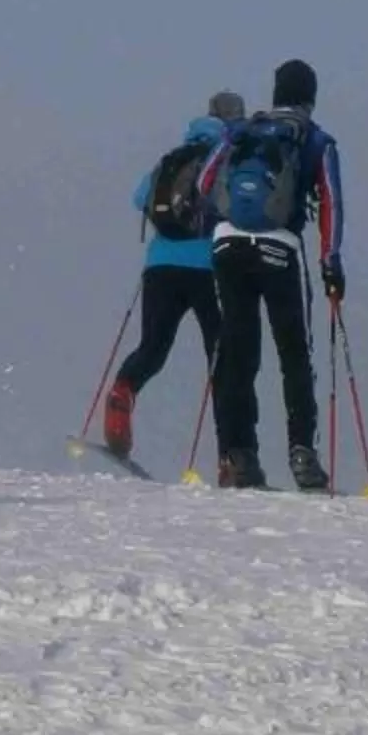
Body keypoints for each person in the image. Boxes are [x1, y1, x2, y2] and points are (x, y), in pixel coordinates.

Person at [197, 59, 346, 491]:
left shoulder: (242, 132)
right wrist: (331, 262)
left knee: (240, 352)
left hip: (228, 245)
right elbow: (332, 203)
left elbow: (206, 181)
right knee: (294, 354)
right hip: (280, 247)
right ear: (310, 97)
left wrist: (222, 224)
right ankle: (302, 453)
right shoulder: (315, 138)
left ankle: (239, 456)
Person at [101, 90, 243, 461]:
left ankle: (123, 390)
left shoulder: (171, 158)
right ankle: (230, 456)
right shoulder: (226, 157)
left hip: (160, 266)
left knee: (153, 346)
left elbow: (139, 198)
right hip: (208, 268)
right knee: (221, 359)